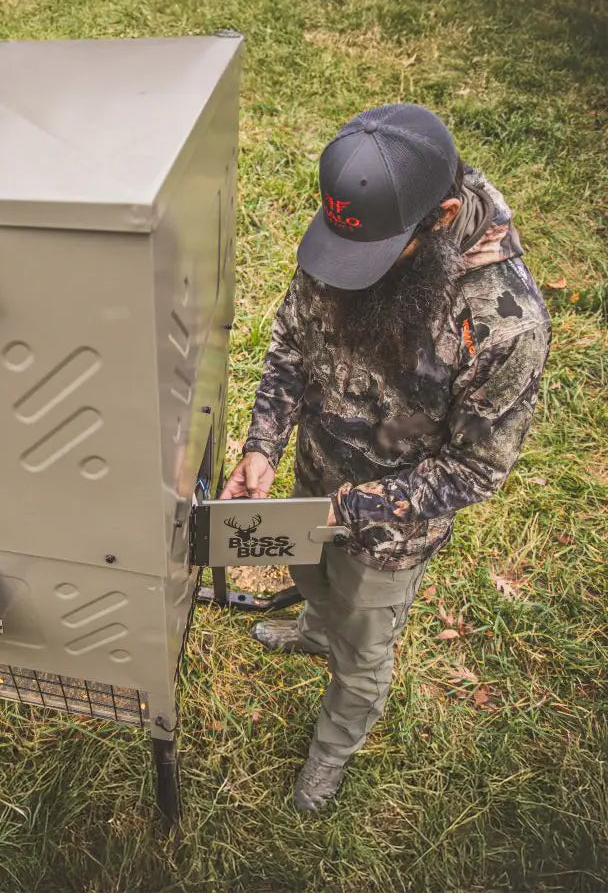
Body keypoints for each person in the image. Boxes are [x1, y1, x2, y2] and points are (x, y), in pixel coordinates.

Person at [220, 103, 551, 813]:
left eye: (372, 258)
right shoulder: (358, 230)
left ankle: (330, 753)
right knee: (314, 581)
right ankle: (313, 627)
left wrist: (352, 511)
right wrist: (263, 445)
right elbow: (289, 340)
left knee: (363, 651)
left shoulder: (502, 324)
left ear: (442, 217)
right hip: (315, 477)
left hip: (391, 535)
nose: (349, 273)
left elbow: (475, 469)